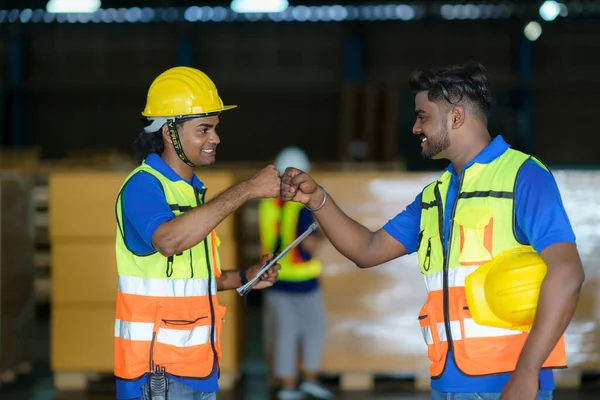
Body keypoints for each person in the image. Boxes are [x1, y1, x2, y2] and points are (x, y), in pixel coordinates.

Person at [280, 62, 585, 400]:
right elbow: (367, 249)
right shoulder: (434, 197)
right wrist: (318, 199)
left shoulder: (523, 176)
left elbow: (567, 271)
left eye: (422, 116)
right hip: (447, 383)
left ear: (455, 117)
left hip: (508, 385)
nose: (414, 128)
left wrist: (527, 373)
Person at [113, 66, 282, 400]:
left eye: (216, 129)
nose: (215, 138)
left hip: (197, 367)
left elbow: (186, 281)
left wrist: (245, 276)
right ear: (168, 132)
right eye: (204, 129)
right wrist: (246, 189)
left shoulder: (192, 193)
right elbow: (168, 241)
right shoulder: (143, 186)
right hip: (156, 372)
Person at [259, 147, 334, 400]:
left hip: (276, 278)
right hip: (303, 278)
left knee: (284, 334)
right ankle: (309, 381)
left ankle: (288, 386)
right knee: (313, 330)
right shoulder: (304, 206)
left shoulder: (268, 204)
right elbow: (308, 246)